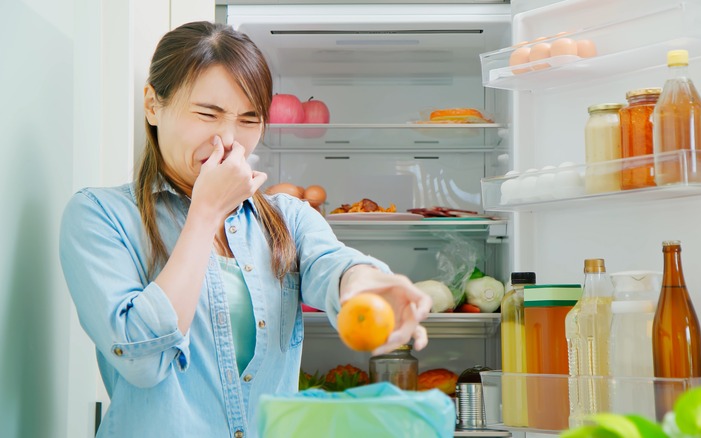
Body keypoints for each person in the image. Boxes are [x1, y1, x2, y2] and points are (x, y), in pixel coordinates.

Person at [59, 21, 432, 437]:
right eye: (207, 114)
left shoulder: (287, 217)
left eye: (249, 120)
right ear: (152, 104)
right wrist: (206, 212)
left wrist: (366, 285)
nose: (229, 140)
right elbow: (143, 361)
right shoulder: (99, 216)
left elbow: (335, 265)